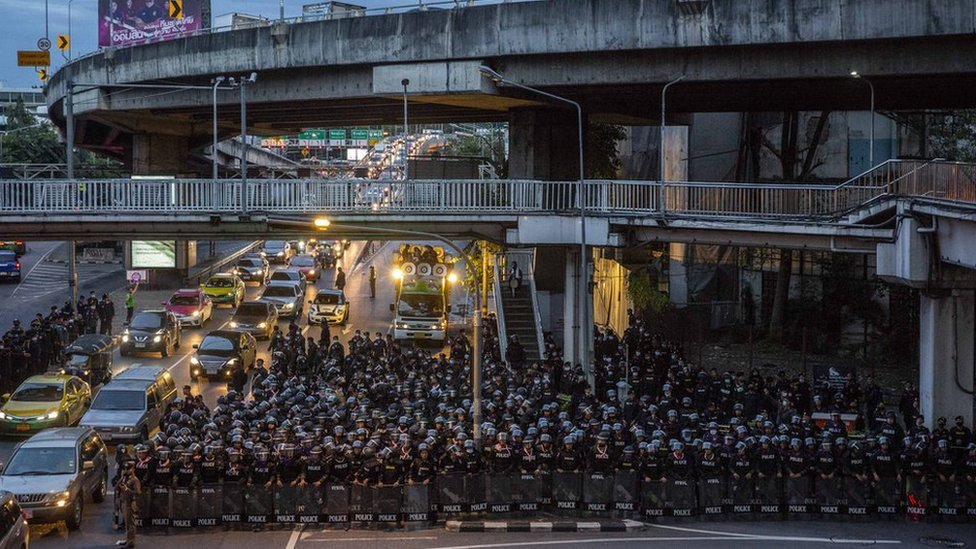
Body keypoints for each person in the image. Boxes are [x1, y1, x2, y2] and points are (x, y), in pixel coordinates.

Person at [116, 460, 141, 548]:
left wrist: (127, 489)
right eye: (125, 469)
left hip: (130, 503)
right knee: (126, 523)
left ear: (133, 469)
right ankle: (127, 539)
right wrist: (121, 477)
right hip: (124, 502)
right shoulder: (125, 478)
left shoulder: (135, 480)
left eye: (128, 469)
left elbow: (138, 493)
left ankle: (131, 542)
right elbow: (116, 487)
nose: (126, 470)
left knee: (131, 524)